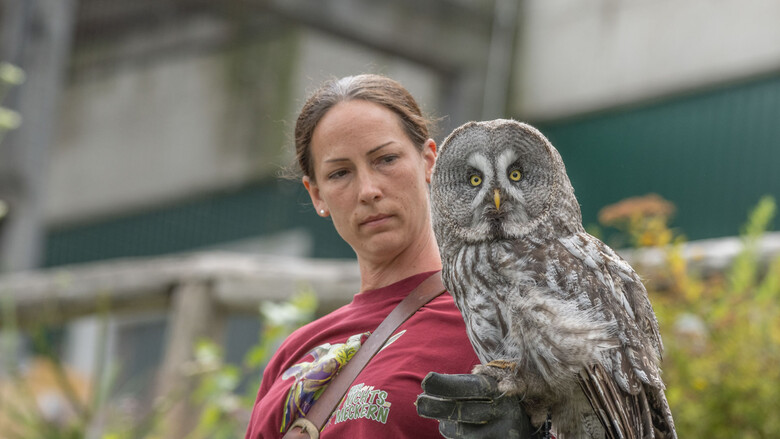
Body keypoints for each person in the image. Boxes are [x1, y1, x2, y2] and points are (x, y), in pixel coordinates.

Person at [244, 74, 529, 439]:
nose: (368, 190)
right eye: (340, 173)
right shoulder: (295, 352)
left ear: (429, 162)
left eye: (386, 159)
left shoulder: (498, 320)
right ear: (316, 195)